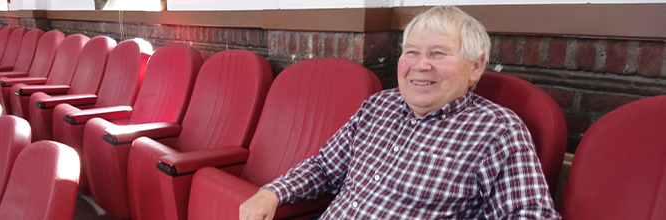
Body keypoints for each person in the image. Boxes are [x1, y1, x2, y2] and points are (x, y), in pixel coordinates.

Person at [239, 6, 561, 220]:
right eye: (411, 52)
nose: (421, 64)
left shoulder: (497, 131)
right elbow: (325, 167)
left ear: (476, 66)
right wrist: (272, 192)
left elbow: (530, 214)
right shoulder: (378, 106)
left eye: (438, 53)